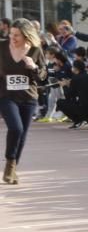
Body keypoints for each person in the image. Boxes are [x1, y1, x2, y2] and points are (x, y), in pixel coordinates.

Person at [0, 19, 47, 184]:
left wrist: (33, 67)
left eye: (17, 35)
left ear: (26, 35)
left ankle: (12, 167)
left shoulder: (35, 50)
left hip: (28, 97)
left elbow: (42, 75)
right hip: (6, 96)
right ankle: (9, 163)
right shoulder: (2, 47)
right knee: (16, 128)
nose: (12, 38)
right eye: (11, 34)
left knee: (23, 134)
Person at [60, 60, 88, 129]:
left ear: (75, 68)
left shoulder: (75, 79)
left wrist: (65, 86)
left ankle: (79, 120)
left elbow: (69, 96)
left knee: (60, 102)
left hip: (84, 108)